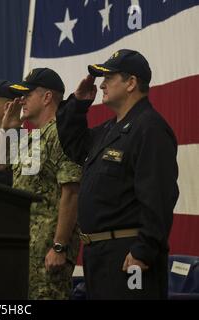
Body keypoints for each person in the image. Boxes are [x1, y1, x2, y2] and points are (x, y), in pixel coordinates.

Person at [56, 49, 179, 299]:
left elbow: (159, 197)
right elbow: (75, 146)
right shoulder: (111, 129)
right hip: (99, 255)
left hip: (127, 256)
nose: (101, 84)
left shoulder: (150, 128)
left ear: (131, 83)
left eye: (108, 78)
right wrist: (78, 104)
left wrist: (143, 250)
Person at [0, 68, 82, 299]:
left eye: (27, 95)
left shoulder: (61, 133)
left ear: (47, 97)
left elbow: (71, 193)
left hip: (48, 250)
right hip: (27, 247)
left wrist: (59, 246)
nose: (21, 101)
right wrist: (7, 129)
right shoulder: (31, 136)